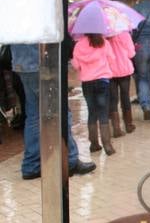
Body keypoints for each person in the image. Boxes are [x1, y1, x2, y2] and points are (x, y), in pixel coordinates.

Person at [10, 43, 96, 179]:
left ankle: (31, 165)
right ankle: (70, 161)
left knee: (33, 115)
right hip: (40, 62)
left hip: (22, 63)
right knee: (61, 110)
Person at [71, 33, 115, 156]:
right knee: (103, 112)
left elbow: (76, 65)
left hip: (87, 82)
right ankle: (108, 145)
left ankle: (94, 144)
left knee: (92, 112)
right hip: (103, 81)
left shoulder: (79, 45)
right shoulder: (103, 42)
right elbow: (112, 59)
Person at [107, 30, 136, 137]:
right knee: (125, 96)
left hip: (110, 71)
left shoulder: (104, 36)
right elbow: (131, 53)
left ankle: (116, 128)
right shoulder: (125, 35)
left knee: (113, 99)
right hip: (124, 70)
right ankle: (128, 125)